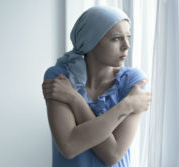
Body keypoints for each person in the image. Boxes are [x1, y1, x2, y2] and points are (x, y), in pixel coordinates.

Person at [42, 5, 151, 167]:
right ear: (91, 40)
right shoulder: (59, 77)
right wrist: (126, 106)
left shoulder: (133, 81)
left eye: (128, 37)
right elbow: (69, 146)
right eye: (116, 38)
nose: (126, 45)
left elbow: (112, 154)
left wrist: (74, 99)